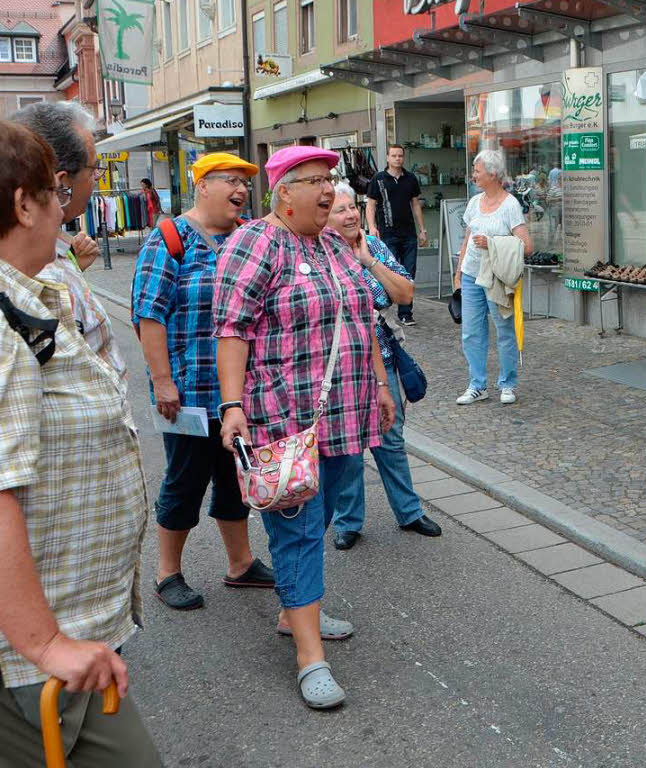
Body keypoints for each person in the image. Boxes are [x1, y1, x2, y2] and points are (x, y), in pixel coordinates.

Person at [0, 120, 161, 765]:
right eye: (55, 195)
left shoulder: (26, 299)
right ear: (23, 203)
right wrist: (44, 645)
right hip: (31, 657)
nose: (65, 210)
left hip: (64, 634)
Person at [214, 146, 396, 709]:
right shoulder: (256, 243)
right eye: (315, 180)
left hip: (346, 414)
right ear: (282, 191)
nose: (328, 190)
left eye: (331, 179)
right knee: (296, 526)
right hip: (285, 419)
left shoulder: (333, 246)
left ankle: (296, 610)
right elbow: (232, 328)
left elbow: (362, 319)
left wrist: (382, 386)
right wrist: (231, 405)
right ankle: (309, 656)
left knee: (322, 515)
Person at [132, 152, 274, 611]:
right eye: (230, 180)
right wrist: (162, 381)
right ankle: (166, 572)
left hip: (237, 393)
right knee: (185, 480)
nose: (241, 190)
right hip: (188, 394)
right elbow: (148, 315)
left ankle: (240, 563)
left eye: (245, 183)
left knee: (235, 478)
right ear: (202, 186)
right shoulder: (170, 238)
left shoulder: (247, 236)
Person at [326, 182, 443, 550]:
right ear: (324, 216)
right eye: (339, 209)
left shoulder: (372, 246)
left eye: (352, 207)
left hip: (383, 359)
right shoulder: (319, 253)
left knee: (391, 438)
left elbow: (405, 293)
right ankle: (348, 521)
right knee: (347, 446)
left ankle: (408, 512)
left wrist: (368, 262)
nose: (349, 215)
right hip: (338, 363)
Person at [11, 100, 126, 380]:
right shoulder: (32, 266)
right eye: (93, 170)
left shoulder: (55, 252)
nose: (96, 180)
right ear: (62, 183)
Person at [453, 149, 532, 405]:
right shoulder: (475, 203)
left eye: (477, 171)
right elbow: (466, 239)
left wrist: (492, 243)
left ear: (493, 174)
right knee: (471, 333)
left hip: (497, 279)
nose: (473, 175)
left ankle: (507, 384)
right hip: (471, 275)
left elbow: (526, 245)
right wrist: (458, 272)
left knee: (504, 330)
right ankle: (477, 385)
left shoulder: (510, 205)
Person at [366, 144, 428, 326]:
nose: (397, 159)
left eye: (400, 156)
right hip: (388, 232)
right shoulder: (378, 179)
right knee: (389, 271)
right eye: (394, 156)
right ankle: (384, 308)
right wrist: (372, 227)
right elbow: (371, 205)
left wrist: (422, 229)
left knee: (408, 271)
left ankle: (406, 313)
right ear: (387, 158)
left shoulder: (410, 179)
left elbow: (415, 204)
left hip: (408, 233)